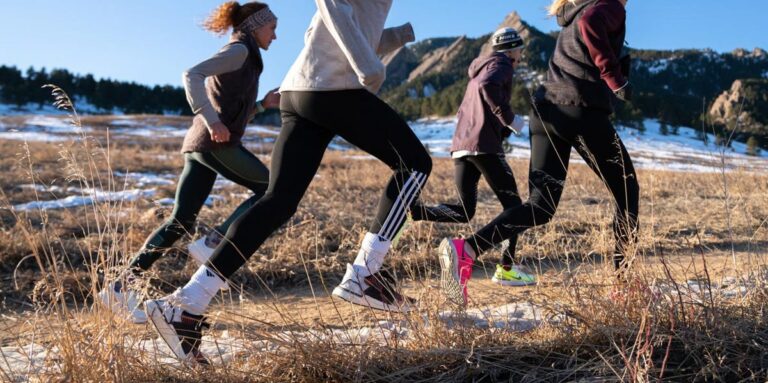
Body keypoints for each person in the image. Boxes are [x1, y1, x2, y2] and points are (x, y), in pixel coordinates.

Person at [145, 0, 427, 363]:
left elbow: (348, 31)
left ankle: (185, 305)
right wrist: (369, 67)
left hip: (301, 91)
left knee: (278, 200)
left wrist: (398, 37)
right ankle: (366, 273)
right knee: (414, 163)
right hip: (333, 89)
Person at [438, 0, 639, 306]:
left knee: (540, 206)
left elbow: (587, 33)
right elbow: (592, 24)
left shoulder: (573, 15)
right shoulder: (607, 5)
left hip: (546, 114)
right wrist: (614, 77)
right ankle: (625, 287)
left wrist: (615, 62)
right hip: (580, 110)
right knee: (627, 190)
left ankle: (466, 250)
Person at [98, 1, 279, 325]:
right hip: (212, 143)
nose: (275, 36)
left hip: (200, 145)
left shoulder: (245, 55)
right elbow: (191, 74)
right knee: (271, 188)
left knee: (179, 222)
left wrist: (262, 106)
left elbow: (231, 112)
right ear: (256, 25)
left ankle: (118, 287)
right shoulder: (240, 50)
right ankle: (214, 241)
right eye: (272, 28)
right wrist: (211, 122)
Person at [410, 27, 536, 287]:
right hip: (483, 147)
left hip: (461, 146)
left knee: (464, 210)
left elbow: (476, 105)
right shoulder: (500, 63)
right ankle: (507, 268)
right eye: (520, 50)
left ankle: (412, 211)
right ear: (512, 49)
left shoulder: (479, 69)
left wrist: (500, 129)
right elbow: (488, 87)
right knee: (516, 209)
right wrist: (511, 120)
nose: (521, 55)